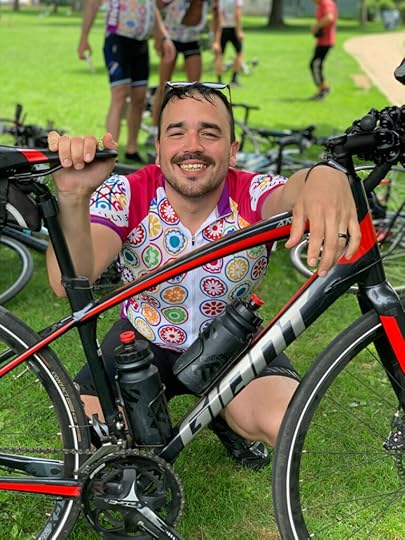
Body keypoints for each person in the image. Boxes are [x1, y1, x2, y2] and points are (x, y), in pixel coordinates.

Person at [47, 82, 360, 469]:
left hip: (232, 339)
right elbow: (69, 281)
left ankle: (222, 411)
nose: (192, 145)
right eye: (176, 132)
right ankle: (178, 412)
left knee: (286, 424)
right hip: (144, 335)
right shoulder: (128, 192)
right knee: (87, 441)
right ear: (158, 148)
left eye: (209, 133)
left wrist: (324, 175)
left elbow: (292, 192)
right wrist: (73, 198)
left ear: (232, 150)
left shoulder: (252, 192)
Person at [77, 0, 176, 164]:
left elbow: (153, 8)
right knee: (120, 94)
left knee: (139, 98)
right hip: (117, 38)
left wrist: (164, 37)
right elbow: (92, 4)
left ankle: (132, 149)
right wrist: (84, 38)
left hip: (141, 42)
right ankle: (110, 153)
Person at [148, 0, 209, 143]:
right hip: (171, 38)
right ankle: (154, 129)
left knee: (195, 88)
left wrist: (216, 38)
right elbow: (155, 6)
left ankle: (192, 129)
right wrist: (159, 37)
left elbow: (216, 13)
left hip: (191, 39)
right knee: (163, 87)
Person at [309, 0, 338, 100]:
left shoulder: (326, 3)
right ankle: (324, 88)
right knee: (316, 65)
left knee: (315, 65)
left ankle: (322, 90)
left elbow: (329, 18)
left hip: (326, 41)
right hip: (322, 41)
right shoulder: (321, 4)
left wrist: (316, 26)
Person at [212, 0, 244, 87]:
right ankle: (234, 79)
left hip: (222, 29)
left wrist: (216, 38)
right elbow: (237, 13)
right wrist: (239, 31)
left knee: (219, 55)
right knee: (239, 53)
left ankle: (219, 81)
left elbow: (218, 16)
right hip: (233, 28)